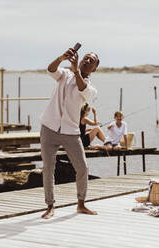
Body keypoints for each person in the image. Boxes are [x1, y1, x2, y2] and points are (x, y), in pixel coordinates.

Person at [40, 46, 100, 219]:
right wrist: (61, 58)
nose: (87, 60)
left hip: (70, 131)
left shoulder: (90, 87)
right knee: (48, 168)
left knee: (82, 167)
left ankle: (81, 204)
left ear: (94, 68)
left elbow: (83, 89)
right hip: (49, 126)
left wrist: (76, 71)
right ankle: (50, 206)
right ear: (80, 59)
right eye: (86, 58)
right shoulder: (64, 74)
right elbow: (50, 70)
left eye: (92, 60)